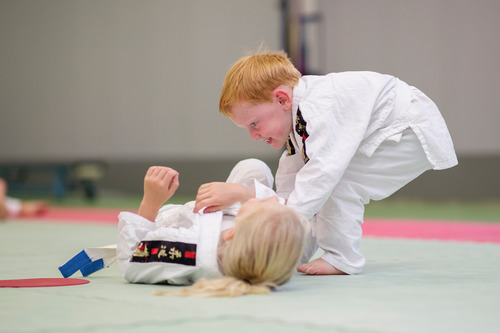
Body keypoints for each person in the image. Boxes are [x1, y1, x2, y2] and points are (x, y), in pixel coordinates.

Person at [197, 50, 458, 276]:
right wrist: (283, 236)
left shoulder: (315, 109)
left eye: (254, 123)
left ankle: (342, 258)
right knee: (307, 186)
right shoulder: (296, 123)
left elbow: (322, 174)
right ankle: (297, 251)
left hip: (407, 129)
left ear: (281, 99)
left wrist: (282, 217)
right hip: (389, 127)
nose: (254, 135)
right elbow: (291, 179)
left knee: (336, 181)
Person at [117, 159, 307, 297]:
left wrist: (151, 201)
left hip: (167, 224)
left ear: (232, 233)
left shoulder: (191, 249)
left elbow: (132, 260)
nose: (272, 197)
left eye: (263, 205)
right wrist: (243, 194)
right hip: (220, 223)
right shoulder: (264, 245)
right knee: (254, 167)